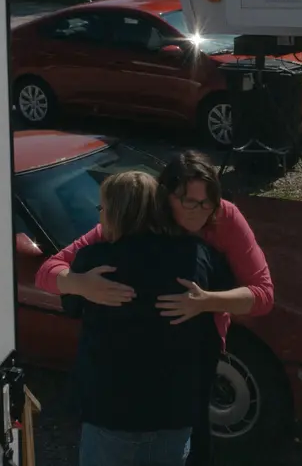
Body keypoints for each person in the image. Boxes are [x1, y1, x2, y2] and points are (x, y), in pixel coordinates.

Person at [35, 149, 275, 465]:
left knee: (194, 440)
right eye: (189, 202)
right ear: (164, 197)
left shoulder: (224, 218)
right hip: (146, 380)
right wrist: (79, 284)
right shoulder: (138, 220)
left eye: (207, 203)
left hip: (192, 357)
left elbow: (263, 295)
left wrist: (206, 302)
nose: (200, 211)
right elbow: (48, 271)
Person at [68, 170, 236, 466]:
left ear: (117, 212)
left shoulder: (93, 261)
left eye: (103, 208)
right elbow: (228, 296)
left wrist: (76, 282)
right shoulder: (197, 255)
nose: (100, 216)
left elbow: (69, 306)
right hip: (175, 411)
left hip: (110, 412)